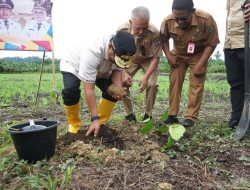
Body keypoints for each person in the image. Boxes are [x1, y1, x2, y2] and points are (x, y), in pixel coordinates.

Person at [60, 31, 136, 137]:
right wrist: (94, 118)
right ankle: (74, 125)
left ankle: (100, 123)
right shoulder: (93, 51)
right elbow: (89, 89)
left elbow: (117, 70)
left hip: (100, 68)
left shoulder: (120, 52)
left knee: (112, 91)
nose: (116, 62)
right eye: (115, 59)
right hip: (74, 64)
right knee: (70, 91)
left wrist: (118, 89)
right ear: (110, 47)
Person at [160, 0, 219, 127]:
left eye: (184, 19)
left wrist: (201, 63)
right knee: (174, 82)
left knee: (196, 84)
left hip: (198, 55)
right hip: (178, 55)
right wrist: (169, 56)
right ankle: (172, 115)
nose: (180, 22)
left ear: (192, 12)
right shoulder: (167, 21)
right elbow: (163, 40)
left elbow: (212, 43)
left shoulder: (206, 19)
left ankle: (190, 117)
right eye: (177, 18)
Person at [118, 6, 162, 123]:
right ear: (131, 22)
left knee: (152, 84)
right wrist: (123, 73)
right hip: (130, 59)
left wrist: (146, 77)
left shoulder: (154, 32)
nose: (142, 32)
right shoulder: (122, 30)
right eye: (138, 28)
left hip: (148, 59)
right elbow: (118, 55)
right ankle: (129, 114)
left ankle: (148, 114)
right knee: (122, 83)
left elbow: (156, 58)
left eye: (145, 28)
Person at [224, 0, 250, 128]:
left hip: (247, 41)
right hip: (231, 44)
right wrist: (226, 40)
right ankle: (237, 117)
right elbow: (228, 16)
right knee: (235, 83)